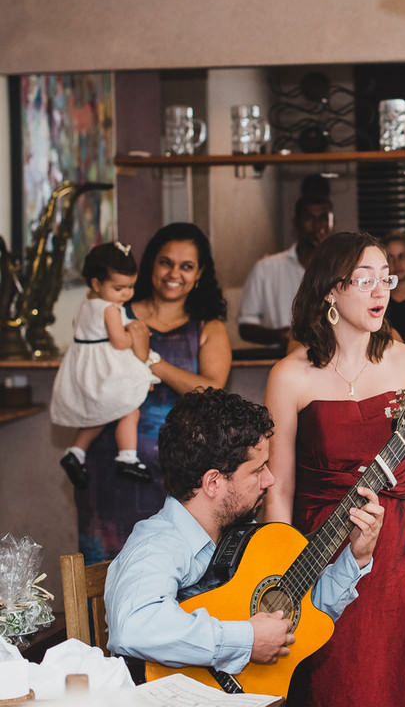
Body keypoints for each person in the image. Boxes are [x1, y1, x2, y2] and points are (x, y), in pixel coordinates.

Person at [265, 231, 405, 707]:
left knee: (403, 674)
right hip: (320, 545)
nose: (380, 291)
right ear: (330, 289)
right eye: (364, 279)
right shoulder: (289, 376)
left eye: (384, 279)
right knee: (338, 678)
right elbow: (280, 486)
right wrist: (276, 576)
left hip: (399, 547)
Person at [105, 387, 383, 676]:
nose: (270, 479)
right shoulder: (157, 544)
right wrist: (247, 640)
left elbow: (301, 611)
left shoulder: (241, 535)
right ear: (213, 482)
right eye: (257, 470)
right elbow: (134, 626)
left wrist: (356, 558)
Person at [75, 222, 233, 564]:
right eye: (166, 262)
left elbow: (212, 390)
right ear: (151, 265)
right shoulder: (117, 314)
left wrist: (149, 359)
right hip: (111, 465)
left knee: (173, 570)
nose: (174, 273)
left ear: (200, 273)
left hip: (180, 476)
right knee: (104, 569)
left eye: (186, 266)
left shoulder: (209, 327)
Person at [51, 241, 158, 487]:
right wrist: (134, 332)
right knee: (130, 409)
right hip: (105, 368)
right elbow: (119, 343)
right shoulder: (110, 309)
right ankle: (128, 457)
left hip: (85, 367)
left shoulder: (86, 305)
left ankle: (76, 452)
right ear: (97, 284)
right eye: (119, 288)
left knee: (97, 416)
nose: (126, 294)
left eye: (131, 287)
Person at [238, 180, 334, 348]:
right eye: (309, 218)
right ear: (296, 222)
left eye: (323, 219)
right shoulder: (266, 269)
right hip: (279, 360)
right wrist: (282, 335)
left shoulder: (340, 269)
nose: (317, 226)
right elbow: (246, 326)